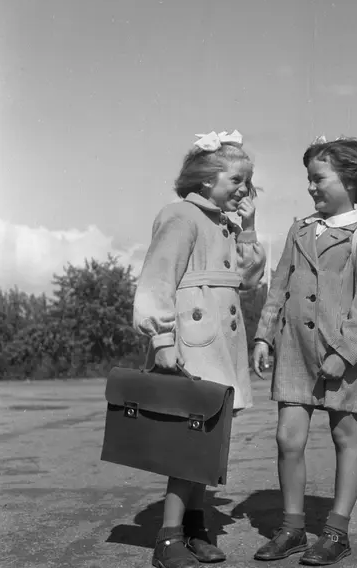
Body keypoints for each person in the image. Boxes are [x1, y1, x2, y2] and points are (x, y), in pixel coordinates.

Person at [252, 136, 357, 566]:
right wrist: (263, 335)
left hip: (341, 354)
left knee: (344, 436)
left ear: (350, 178)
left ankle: (336, 532)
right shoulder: (300, 230)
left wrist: (344, 353)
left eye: (319, 178)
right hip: (295, 351)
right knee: (287, 437)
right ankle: (293, 528)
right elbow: (278, 286)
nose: (311, 186)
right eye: (308, 179)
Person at [133, 130, 266, 568]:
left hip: (222, 346)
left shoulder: (225, 225)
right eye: (236, 179)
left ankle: (194, 527)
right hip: (192, 344)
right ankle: (169, 539)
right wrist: (161, 338)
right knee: (189, 442)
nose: (244, 189)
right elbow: (157, 278)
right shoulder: (181, 216)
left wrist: (248, 229)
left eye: (248, 181)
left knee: (209, 440)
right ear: (207, 179)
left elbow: (248, 280)